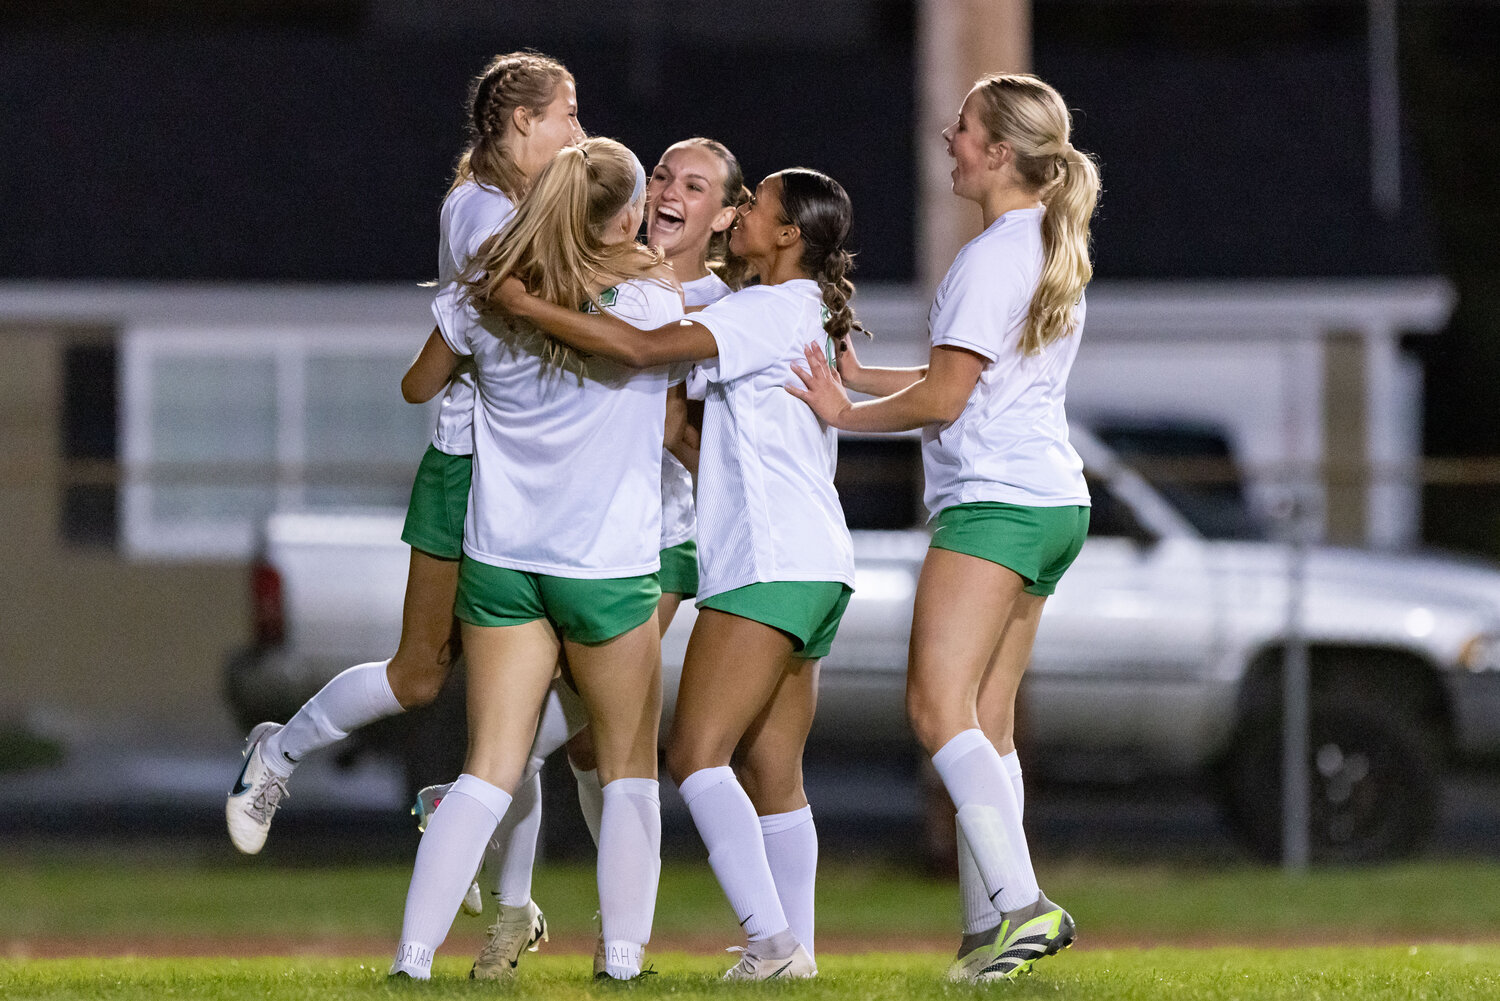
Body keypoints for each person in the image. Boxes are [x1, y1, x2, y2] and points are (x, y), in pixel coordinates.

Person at [224, 48, 580, 966]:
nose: (578, 131)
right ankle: (281, 752)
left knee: (544, 693)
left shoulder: (529, 203)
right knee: (422, 674)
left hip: (535, 477)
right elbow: (520, 303)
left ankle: (491, 872)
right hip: (470, 471)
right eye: (567, 115)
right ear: (519, 124)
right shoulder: (480, 209)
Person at [493, 166, 861, 980]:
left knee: (696, 754)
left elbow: (642, 348)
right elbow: (707, 440)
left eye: (755, 207)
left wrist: (527, 307)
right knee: (773, 771)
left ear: (789, 235)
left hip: (767, 563)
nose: (741, 217)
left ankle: (769, 941)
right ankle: (794, 951)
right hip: (818, 562)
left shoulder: (764, 310)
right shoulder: (787, 308)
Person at [786, 73, 1100, 983]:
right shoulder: (1044, 241)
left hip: (998, 504)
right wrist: (866, 375)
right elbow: (971, 378)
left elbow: (952, 396)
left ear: (1001, 152)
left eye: (961, 128)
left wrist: (839, 408)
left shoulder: (991, 255)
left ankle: (1026, 906)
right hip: (1054, 503)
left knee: (934, 707)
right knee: (987, 724)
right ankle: (985, 933)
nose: (948, 137)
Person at [390, 137, 681, 982]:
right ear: (624, 213)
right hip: (605, 565)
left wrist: (489, 306)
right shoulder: (649, 299)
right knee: (627, 767)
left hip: (503, 559)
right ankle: (621, 961)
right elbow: (631, 345)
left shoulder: (484, 297)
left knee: (487, 767)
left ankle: (412, 961)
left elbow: (417, 386)